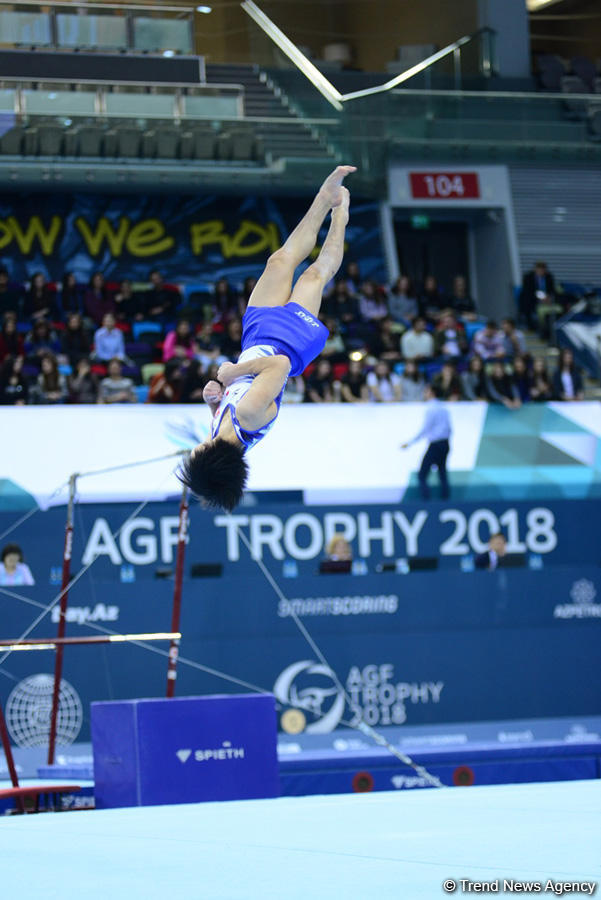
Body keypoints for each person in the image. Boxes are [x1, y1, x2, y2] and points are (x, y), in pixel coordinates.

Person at [178, 164, 356, 511]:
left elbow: (223, 407)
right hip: (288, 343)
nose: (193, 450)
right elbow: (280, 365)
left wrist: (213, 400)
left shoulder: (220, 434)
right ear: (211, 456)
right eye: (195, 456)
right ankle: (340, 215)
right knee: (314, 276)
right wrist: (229, 375)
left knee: (279, 261)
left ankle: (324, 197)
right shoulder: (249, 415)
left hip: (256, 337)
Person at [400, 383, 451, 500]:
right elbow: (449, 428)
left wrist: (410, 443)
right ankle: (446, 500)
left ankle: (426, 501)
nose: (424, 394)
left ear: (432, 393)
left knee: (422, 474)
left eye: (426, 391)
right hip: (445, 443)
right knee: (442, 472)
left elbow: (425, 429)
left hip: (436, 444)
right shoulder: (444, 408)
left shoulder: (431, 409)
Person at [520, 261, 555, 331]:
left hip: (546, 299)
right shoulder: (528, 277)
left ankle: (549, 328)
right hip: (532, 298)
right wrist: (541, 297)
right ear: (535, 269)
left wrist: (549, 297)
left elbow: (552, 290)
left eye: (543, 269)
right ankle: (532, 327)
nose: (541, 271)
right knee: (526, 301)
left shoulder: (549, 277)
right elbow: (528, 291)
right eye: (539, 269)